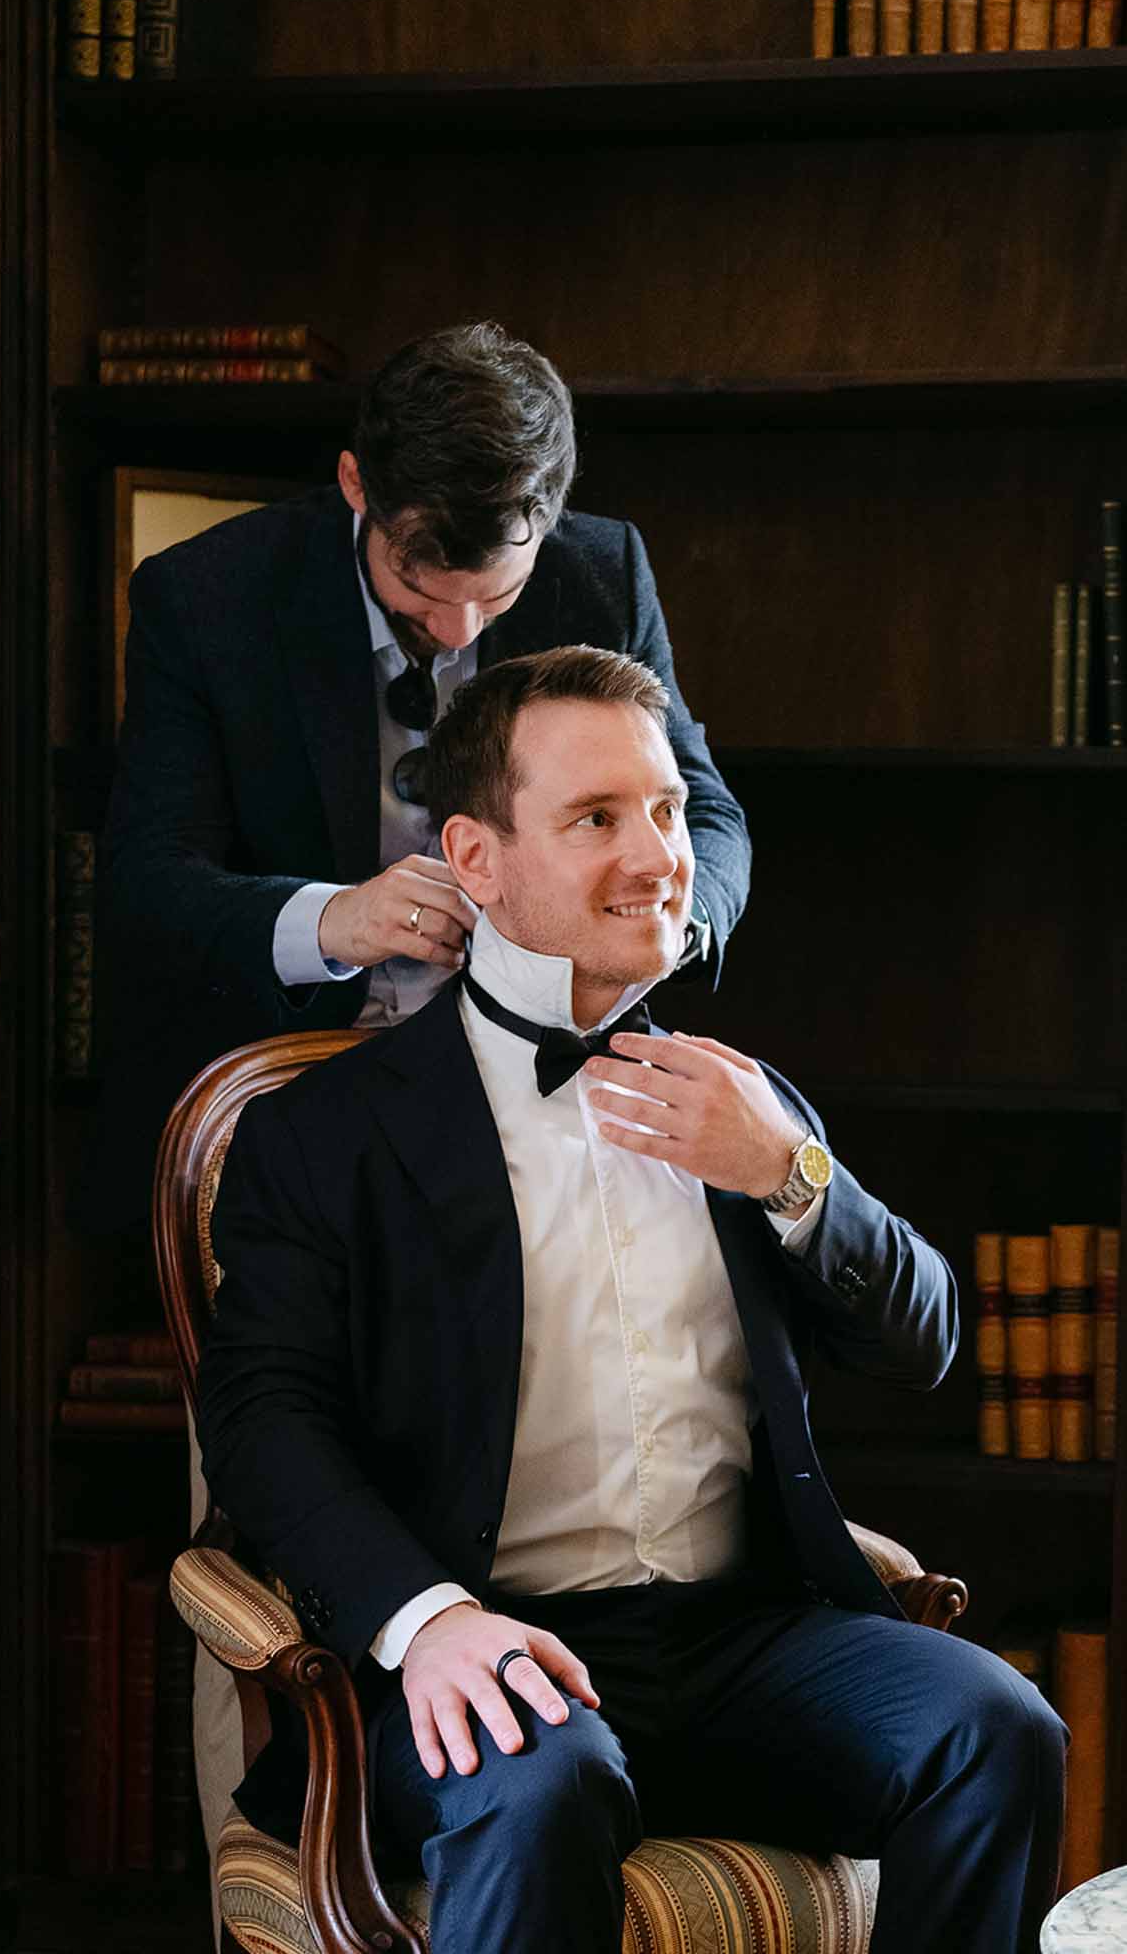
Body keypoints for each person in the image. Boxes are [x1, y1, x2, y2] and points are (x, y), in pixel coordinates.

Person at [197, 645, 1066, 1954]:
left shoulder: (744, 1100)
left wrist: (787, 1173)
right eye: (597, 819)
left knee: (998, 1730)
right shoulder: (324, 1137)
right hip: (484, 1642)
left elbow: (925, 1340)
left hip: (741, 1644)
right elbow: (264, 1426)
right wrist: (426, 1628)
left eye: (663, 810)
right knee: (546, 1783)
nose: (658, 854)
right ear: (477, 862)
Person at [90, 321, 750, 1236]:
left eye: (499, 595)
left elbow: (709, 816)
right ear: (357, 484)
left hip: (552, 1088)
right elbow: (144, 886)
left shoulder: (602, 577)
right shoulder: (205, 598)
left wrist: (666, 921)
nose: (459, 632)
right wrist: (332, 920)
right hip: (290, 1093)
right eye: (422, 588)